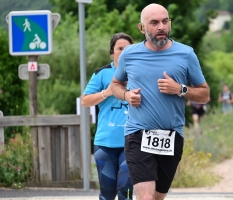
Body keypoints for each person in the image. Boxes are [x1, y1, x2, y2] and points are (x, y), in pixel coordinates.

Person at [110, 3, 210, 200]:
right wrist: (126, 95)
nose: (161, 27)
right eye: (154, 23)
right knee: (146, 198)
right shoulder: (129, 54)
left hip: (172, 136)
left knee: (156, 197)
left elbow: (205, 95)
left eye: (165, 21)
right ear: (142, 28)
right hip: (137, 134)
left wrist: (180, 89)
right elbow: (116, 84)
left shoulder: (186, 54)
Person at [81, 33, 134, 200]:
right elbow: (85, 101)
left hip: (132, 142)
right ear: (112, 52)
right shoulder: (102, 74)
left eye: (128, 49)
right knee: (107, 194)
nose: (124, 52)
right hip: (105, 143)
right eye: (120, 48)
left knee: (125, 192)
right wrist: (107, 92)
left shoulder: (140, 74)